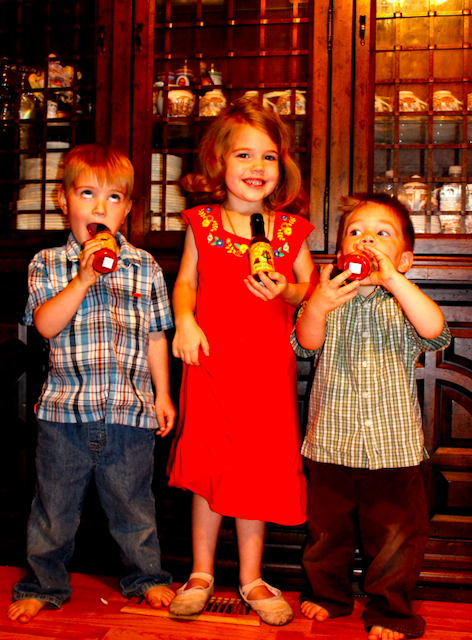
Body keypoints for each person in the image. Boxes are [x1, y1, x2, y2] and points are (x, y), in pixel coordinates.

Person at [8, 143, 176, 624]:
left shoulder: (144, 266)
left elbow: (156, 335)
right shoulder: (47, 263)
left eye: (114, 198)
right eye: (87, 194)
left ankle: (146, 577)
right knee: (54, 509)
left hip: (129, 410)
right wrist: (81, 279)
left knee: (134, 506)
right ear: (63, 200)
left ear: (128, 208)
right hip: (64, 412)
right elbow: (45, 325)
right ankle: (43, 583)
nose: (100, 208)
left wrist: (163, 394)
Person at [168, 97, 317, 626]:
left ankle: (252, 578)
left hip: (266, 373)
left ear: (282, 166)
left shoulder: (289, 230)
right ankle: (200, 573)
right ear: (218, 162)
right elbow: (185, 283)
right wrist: (184, 322)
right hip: (210, 366)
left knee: (255, 469)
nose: (257, 167)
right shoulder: (202, 223)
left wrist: (287, 290)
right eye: (244, 155)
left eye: (268, 156)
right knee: (210, 467)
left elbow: (308, 289)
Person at [291, 194, 451, 640]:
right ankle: (328, 595)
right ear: (341, 251)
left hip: (392, 447)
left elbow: (435, 331)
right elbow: (306, 342)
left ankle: (391, 609)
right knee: (327, 533)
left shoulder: (403, 302)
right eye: (356, 232)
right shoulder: (329, 299)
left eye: (382, 234)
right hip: (331, 442)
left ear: (405, 259)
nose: (366, 240)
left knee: (396, 536)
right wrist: (318, 303)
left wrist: (394, 280)